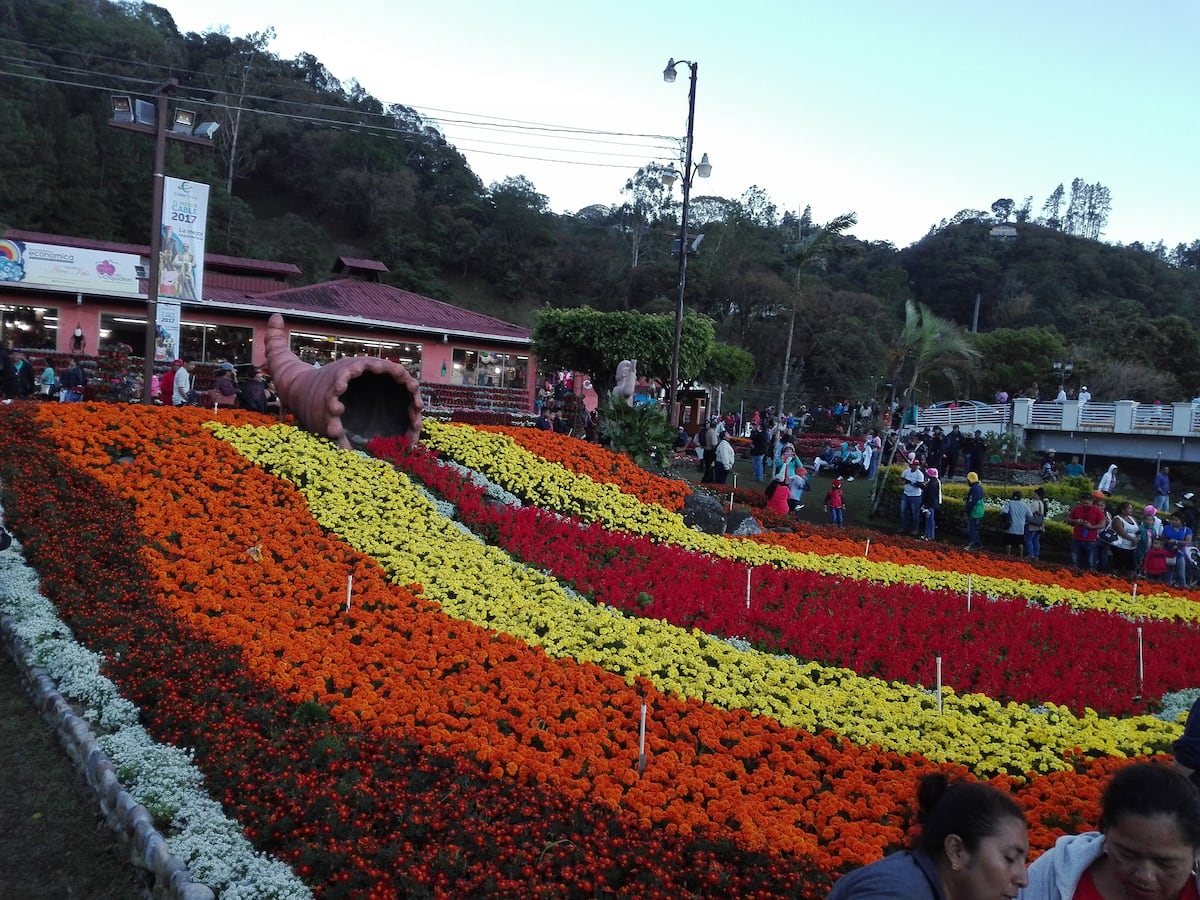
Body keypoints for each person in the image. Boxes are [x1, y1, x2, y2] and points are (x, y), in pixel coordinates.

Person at [827, 773, 1028, 900]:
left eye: (1023, 860)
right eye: (1010, 858)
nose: (1023, 879)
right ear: (957, 851)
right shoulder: (896, 892)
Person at [1022, 762, 1200, 900]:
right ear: (1104, 830)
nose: (1145, 876)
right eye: (1127, 855)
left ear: (1196, 852)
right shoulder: (1054, 873)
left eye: (1165, 863)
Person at [1067, 491, 1108, 572]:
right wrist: (1076, 521)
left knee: (1091, 561)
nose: (1085, 505)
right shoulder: (1077, 509)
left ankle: (1090, 574)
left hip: (1090, 539)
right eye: (1084, 503)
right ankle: (1074, 572)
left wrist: (1091, 527)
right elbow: (1068, 519)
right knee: (1075, 559)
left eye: (1087, 503)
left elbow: (1102, 524)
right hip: (1077, 537)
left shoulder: (1097, 510)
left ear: (1092, 501)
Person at [1161, 512, 1194, 589]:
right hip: (1167, 552)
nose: (1173, 522)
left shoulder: (1187, 530)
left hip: (1180, 553)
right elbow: (1162, 538)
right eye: (1172, 520)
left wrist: (1176, 542)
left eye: (1176, 520)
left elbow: (1188, 542)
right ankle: (1166, 589)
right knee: (1167, 574)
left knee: (1180, 574)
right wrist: (1167, 541)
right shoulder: (1167, 528)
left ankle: (1183, 589)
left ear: (1182, 521)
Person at [1108, 501, 1140, 577]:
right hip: (1120, 547)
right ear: (1123, 510)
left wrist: (1137, 538)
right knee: (1117, 565)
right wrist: (1132, 539)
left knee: (1131, 566)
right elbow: (1121, 533)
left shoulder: (1132, 518)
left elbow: (1137, 530)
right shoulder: (1117, 519)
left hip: (1131, 547)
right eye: (1129, 508)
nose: (1131, 510)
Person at [900, 455, 927, 536]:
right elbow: (901, 479)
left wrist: (911, 482)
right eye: (914, 465)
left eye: (917, 465)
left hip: (915, 496)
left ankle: (915, 529)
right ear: (911, 465)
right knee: (903, 511)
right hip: (906, 493)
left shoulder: (920, 474)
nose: (915, 466)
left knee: (915, 513)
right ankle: (903, 527)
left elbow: (920, 484)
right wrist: (905, 481)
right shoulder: (906, 471)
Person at [1002, 490, 1030, 557]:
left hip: (1010, 526)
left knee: (1008, 542)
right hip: (1021, 526)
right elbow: (1030, 515)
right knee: (1020, 542)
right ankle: (1021, 556)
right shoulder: (1024, 505)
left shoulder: (1009, 503)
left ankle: (1008, 555)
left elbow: (1004, 512)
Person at [965, 472, 985, 551]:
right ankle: (977, 543)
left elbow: (972, 502)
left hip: (975, 512)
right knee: (975, 529)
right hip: (979, 511)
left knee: (972, 529)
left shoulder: (974, 489)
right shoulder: (979, 487)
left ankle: (974, 544)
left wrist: (967, 510)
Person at [920, 468, 942, 541]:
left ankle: (929, 536)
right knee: (929, 520)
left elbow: (930, 495)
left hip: (930, 504)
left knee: (930, 520)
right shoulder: (935, 481)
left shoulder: (932, 483)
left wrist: (926, 505)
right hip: (932, 504)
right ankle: (927, 534)